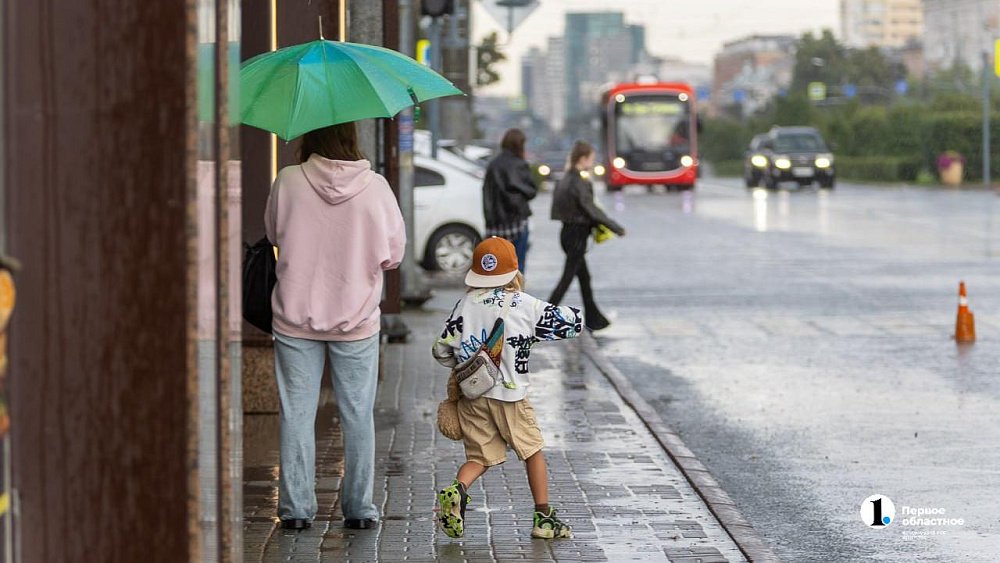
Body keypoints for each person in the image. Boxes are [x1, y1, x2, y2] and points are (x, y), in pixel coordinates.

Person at [264, 122, 406, 531]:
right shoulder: (376, 187)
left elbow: (274, 233)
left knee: (296, 413)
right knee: (358, 414)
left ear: (310, 136)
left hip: (294, 316)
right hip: (356, 319)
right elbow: (393, 255)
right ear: (351, 137)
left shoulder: (288, 180)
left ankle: (295, 510)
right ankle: (359, 509)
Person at [432, 237, 582, 540]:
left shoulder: (465, 304)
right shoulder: (524, 304)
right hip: (511, 397)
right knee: (532, 451)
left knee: (479, 456)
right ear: (513, 271)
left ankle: (457, 491)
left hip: (473, 396)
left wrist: (463, 362)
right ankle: (544, 518)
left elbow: (441, 349)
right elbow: (571, 324)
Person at [548, 141, 626, 332]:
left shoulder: (565, 179)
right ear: (583, 159)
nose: (592, 162)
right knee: (567, 279)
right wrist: (615, 227)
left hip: (568, 233)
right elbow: (592, 210)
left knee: (584, 278)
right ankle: (544, 316)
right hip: (576, 236)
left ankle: (594, 319)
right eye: (591, 158)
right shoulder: (578, 182)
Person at [482, 129, 538, 272]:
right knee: (518, 265)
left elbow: (486, 194)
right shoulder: (520, 164)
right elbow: (531, 191)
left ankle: (498, 293)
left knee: (497, 267)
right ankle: (516, 293)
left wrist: (489, 220)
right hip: (517, 222)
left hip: (495, 225)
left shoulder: (493, 165)